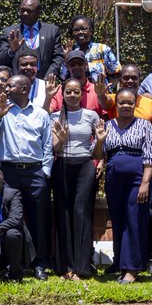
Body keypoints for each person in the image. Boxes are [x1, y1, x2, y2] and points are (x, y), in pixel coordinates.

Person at [0, 74, 53, 279]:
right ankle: (12, 263)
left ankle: (39, 264)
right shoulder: (3, 109)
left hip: (34, 172)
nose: (5, 89)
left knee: (38, 220)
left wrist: (44, 172)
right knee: (10, 219)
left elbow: (47, 146)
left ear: (24, 89)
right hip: (9, 172)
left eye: (10, 86)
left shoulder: (41, 114)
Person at [96, 89, 152, 284]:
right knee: (118, 219)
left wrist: (145, 184)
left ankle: (132, 269)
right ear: (116, 105)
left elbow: (150, 157)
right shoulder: (107, 125)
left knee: (134, 219)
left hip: (137, 179)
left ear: (135, 105)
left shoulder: (144, 126)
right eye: (121, 102)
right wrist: (100, 140)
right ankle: (120, 263)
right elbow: (98, 155)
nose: (125, 106)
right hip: (114, 178)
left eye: (130, 103)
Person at [50, 78, 101, 280]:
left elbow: (98, 152)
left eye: (76, 92)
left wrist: (101, 141)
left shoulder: (91, 115)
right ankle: (65, 266)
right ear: (63, 94)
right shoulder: (55, 117)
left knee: (81, 212)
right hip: (62, 165)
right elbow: (54, 149)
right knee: (62, 214)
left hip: (85, 166)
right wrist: (61, 141)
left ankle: (82, 266)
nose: (72, 95)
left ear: (82, 94)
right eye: (68, 92)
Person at [0, 0, 64, 79]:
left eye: (29, 11)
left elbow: (58, 57)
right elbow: (1, 60)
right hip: (18, 84)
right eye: (22, 10)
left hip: (44, 82)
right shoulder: (9, 32)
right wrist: (11, 51)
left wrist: (47, 78)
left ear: (39, 13)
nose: (25, 13)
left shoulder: (52, 31)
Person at [65, 15, 119, 85]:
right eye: (76, 29)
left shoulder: (102, 49)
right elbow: (62, 77)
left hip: (99, 94)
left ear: (91, 31)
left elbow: (117, 72)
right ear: (72, 33)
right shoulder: (69, 51)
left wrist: (107, 88)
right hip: (77, 93)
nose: (80, 32)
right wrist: (66, 59)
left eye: (84, 29)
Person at [48, 50, 104, 115]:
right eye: (72, 64)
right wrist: (48, 97)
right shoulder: (59, 91)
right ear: (68, 67)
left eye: (79, 63)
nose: (76, 67)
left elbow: (105, 117)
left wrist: (102, 95)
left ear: (86, 65)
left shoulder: (97, 90)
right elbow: (47, 115)